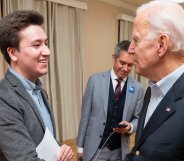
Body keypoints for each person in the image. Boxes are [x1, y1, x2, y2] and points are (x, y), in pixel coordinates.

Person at [0, 10, 73, 161]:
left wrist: (59, 149)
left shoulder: (40, 92)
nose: (47, 51)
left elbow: (40, 139)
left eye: (46, 44)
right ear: (13, 53)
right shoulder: (4, 98)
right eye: (36, 45)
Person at [124, 1, 184, 161]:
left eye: (136, 40)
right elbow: (139, 151)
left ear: (161, 44)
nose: (130, 49)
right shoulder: (152, 90)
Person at [77, 40, 144, 161]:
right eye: (122, 62)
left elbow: (138, 118)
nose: (125, 68)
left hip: (119, 152)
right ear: (114, 58)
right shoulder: (94, 81)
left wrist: (130, 127)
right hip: (94, 149)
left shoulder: (138, 88)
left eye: (130, 65)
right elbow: (85, 116)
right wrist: (80, 147)